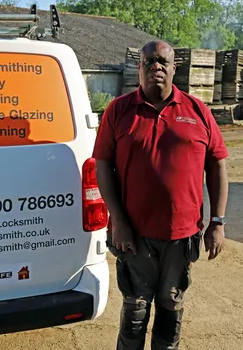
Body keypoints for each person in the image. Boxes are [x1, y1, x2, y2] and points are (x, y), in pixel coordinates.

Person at [92, 40, 229, 350]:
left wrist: (217, 222)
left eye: (163, 62)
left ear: (174, 69)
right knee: (136, 311)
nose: (156, 67)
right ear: (139, 67)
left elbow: (217, 165)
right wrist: (118, 219)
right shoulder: (120, 110)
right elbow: (103, 165)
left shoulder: (197, 111)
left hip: (181, 238)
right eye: (149, 62)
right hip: (134, 235)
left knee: (170, 307)